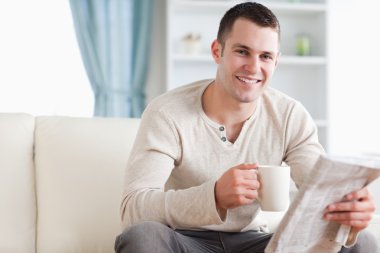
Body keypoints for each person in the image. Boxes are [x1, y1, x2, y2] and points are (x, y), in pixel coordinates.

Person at [115, 2, 379, 253]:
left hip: (258, 242)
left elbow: (321, 195)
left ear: (276, 62)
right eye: (242, 51)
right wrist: (214, 196)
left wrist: (349, 215)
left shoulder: (290, 116)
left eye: (265, 56)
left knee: (362, 241)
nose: (254, 67)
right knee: (143, 236)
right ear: (217, 51)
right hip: (186, 240)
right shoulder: (167, 112)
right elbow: (134, 208)